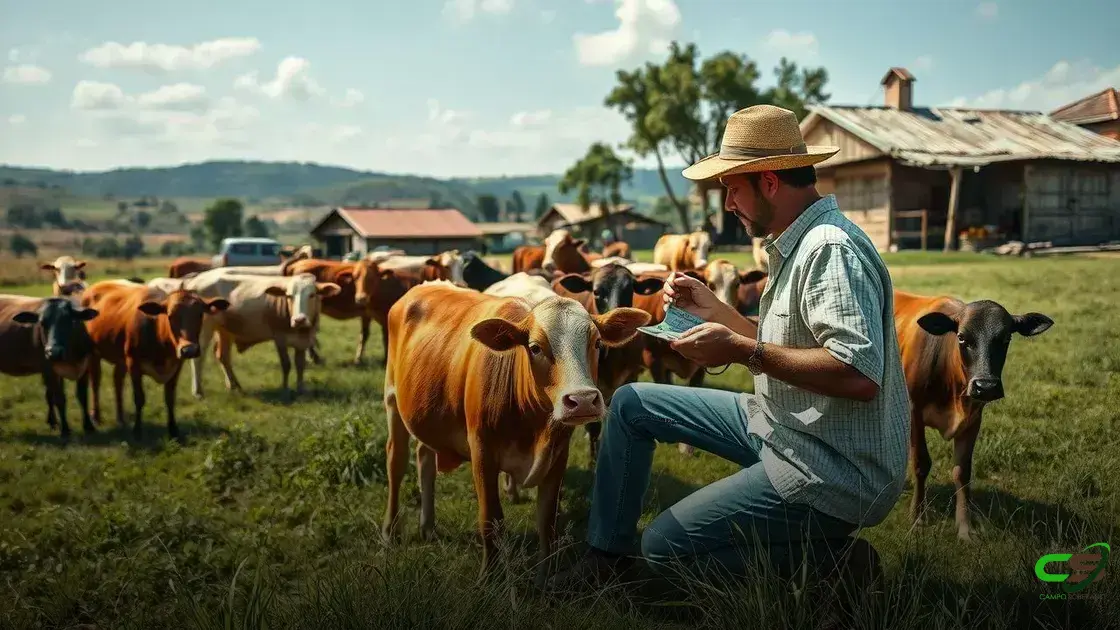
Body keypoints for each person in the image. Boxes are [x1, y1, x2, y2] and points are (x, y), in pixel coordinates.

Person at [546, 104, 910, 593]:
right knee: (631, 402)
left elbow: (857, 375)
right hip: (786, 424)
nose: (729, 203)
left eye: (733, 188)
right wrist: (719, 313)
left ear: (770, 181)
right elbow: (793, 338)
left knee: (663, 549)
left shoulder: (828, 249)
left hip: (832, 467)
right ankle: (605, 558)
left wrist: (740, 350)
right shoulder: (796, 241)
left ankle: (834, 564)